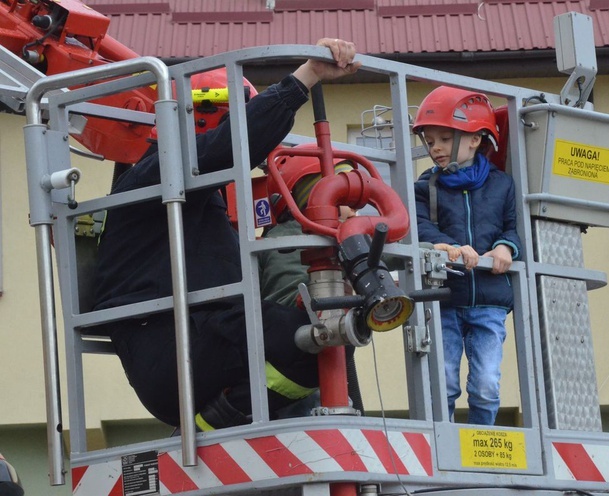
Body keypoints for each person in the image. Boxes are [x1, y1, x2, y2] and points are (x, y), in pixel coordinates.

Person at [92, 39, 360, 431]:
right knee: (314, 338)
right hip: (172, 348)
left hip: (194, 340)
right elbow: (231, 146)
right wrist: (308, 77)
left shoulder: (189, 201)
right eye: (240, 117)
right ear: (200, 118)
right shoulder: (156, 177)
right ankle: (218, 424)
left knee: (328, 331)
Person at [412, 86, 522, 426]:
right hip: (444, 299)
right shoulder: (425, 186)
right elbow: (417, 227)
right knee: (443, 382)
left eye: (444, 138)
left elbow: (514, 228)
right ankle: (443, 444)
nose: (436, 149)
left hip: (489, 301)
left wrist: (506, 247)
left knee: (487, 385)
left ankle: (482, 446)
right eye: (430, 142)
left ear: (474, 139)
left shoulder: (502, 184)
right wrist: (449, 246)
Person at [258, 145, 364, 416]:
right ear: (314, 198)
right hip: (294, 368)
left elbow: (378, 250)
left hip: (317, 362)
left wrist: (432, 250)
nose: (353, 214)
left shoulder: (334, 238)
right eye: (345, 201)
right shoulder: (289, 238)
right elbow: (287, 293)